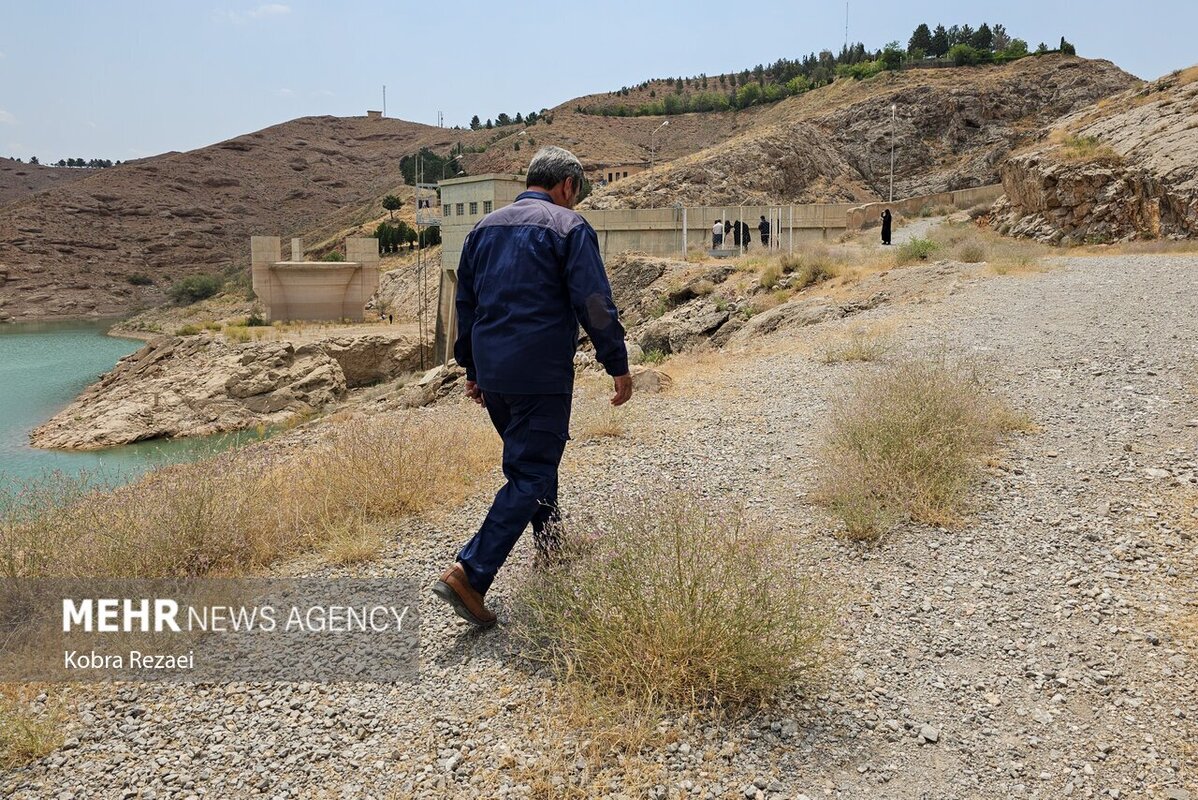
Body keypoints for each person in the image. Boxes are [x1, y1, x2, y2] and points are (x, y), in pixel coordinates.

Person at [433, 146, 633, 628]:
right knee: (532, 471)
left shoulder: (482, 229)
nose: (574, 200)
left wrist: (472, 369)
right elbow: (595, 303)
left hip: (495, 375)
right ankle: (470, 573)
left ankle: (552, 549)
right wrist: (617, 362)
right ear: (568, 185)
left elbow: (467, 305)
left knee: (534, 462)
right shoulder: (569, 227)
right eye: (576, 193)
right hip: (540, 374)